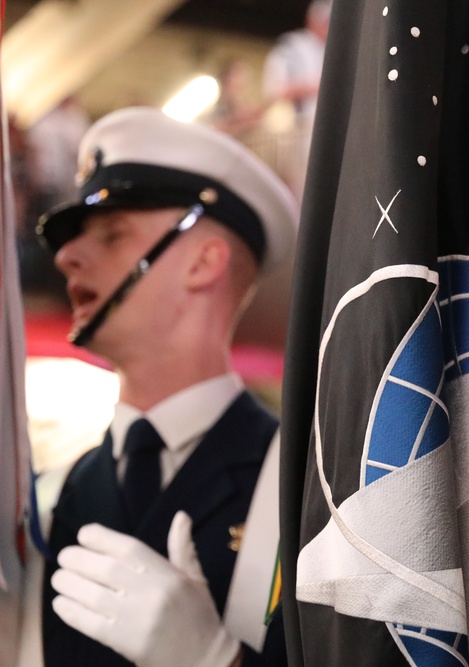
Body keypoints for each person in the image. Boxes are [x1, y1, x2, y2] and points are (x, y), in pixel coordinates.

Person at [33, 107, 298, 666]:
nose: (66, 256)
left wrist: (216, 661)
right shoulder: (63, 490)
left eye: (112, 234)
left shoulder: (301, 481)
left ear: (204, 262)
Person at [261, 0, 330, 198]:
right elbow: (276, 88)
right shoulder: (291, 47)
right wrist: (317, 87)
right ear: (312, 20)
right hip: (299, 133)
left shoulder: (336, 50)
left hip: (327, 131)